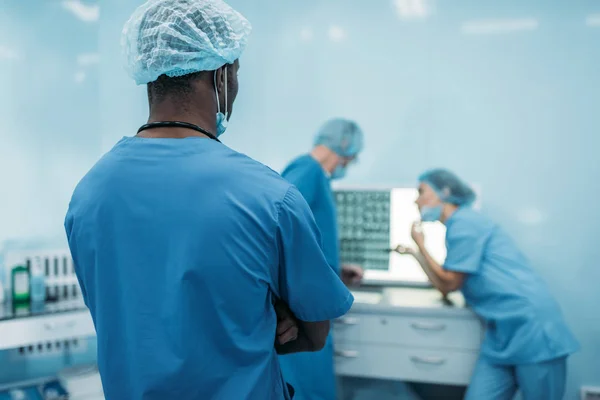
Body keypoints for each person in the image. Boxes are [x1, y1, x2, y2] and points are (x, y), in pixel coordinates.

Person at [64, 1, 354, 399]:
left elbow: (124, 311)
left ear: (149, 71)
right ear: (223, 74)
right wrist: (265, 313)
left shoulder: (90, 193)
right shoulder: (269, 197)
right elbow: (313, 333)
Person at [393, 169, 579, 400]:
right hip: (501, 335)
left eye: (421, 192)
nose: (416, 200)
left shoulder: (465, 222)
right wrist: (415, 253)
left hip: (532, 328)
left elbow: (450, 282)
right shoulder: (457, 225)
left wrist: (421, 245)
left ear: (445, 192)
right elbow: (444, 285)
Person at [278, 118, 365, 400]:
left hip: (312, 301)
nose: (350, 162)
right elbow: (280, 227)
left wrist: (336, 270)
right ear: (344, 145)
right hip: (302, 306)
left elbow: (311, 242)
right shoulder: (306, 171)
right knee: (305, 386)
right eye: (351, 155)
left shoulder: (316, 176)